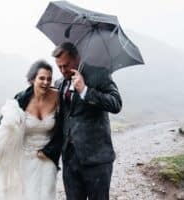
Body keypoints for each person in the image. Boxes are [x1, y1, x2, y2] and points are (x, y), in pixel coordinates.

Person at [46, 42, 122, 200]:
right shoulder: (60, 83)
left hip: (97, 160)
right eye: (59, 67)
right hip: (69, 160)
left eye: (65, 65)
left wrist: (85, 90)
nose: (62, 70)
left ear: (77, 58)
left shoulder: (100, 74)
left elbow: (116, 103)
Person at [0, 60, 60, 200]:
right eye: (42, 78)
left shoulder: (58, 97)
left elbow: (63, 129)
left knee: (47, 194)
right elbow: (4, 126)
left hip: (48, 157)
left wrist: (51, 150)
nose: (46, 82)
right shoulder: (21, 99)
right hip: (26, 157)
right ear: (32, 79)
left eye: (49, 79)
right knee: (28, 194)